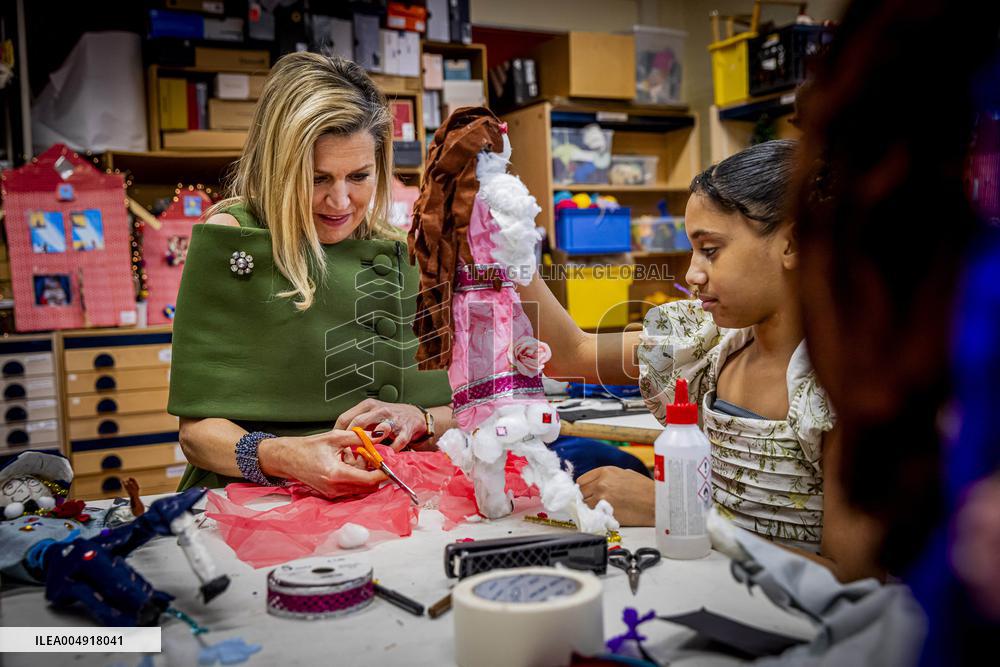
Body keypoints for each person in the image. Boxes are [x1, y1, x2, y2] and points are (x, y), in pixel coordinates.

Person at [522, 140, 882, 581]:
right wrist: (511, 249)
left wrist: (675, 508)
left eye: (710, 250)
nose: (692, 273)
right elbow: (569, 355)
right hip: (709, 591)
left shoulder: (843, 387)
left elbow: (851, 581)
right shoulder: (708, 343)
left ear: (794, 243)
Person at [167, 52, 454, 495]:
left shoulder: (403, 250)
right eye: (317, 178)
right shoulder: (231, 237)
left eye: (359, 176)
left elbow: (465, 406)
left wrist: (421, 419)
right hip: (255, 498)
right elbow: (196, 434)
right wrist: (285, 456)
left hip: (386, 492)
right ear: (279, 169)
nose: (340, 202)